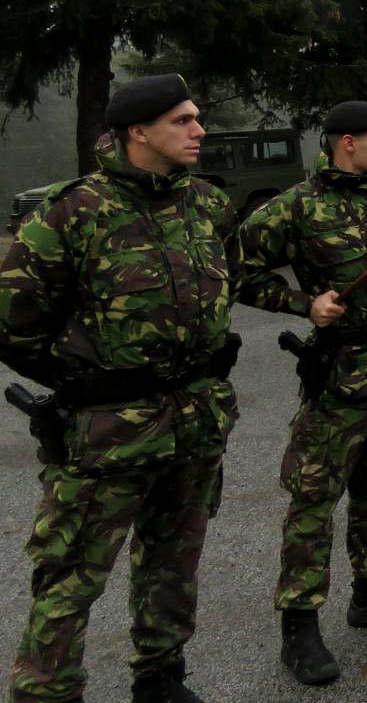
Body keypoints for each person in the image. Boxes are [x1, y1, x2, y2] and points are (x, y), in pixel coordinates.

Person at [0, 75, 241, 703]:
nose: (199, 130)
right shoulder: (72, 210)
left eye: (197, 118)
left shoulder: (208, 205)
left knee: (173, 565)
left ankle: (161, 678)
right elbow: (12, 321)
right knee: (71, 577)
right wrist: (86, 380)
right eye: (183, 121)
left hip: (193, 421)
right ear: (139, 131)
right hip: (108, 433)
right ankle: (49, 693)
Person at [233, 100, 367, 686]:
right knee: (314, 498)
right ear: (346, 143)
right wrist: (302, 304)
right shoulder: (296, 207)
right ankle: (299, 624)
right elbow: (237, 271)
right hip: (341, 373)